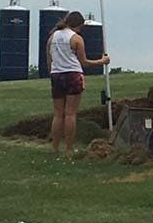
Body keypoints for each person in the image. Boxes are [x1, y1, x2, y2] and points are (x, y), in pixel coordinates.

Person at [45, 10, 110, 159]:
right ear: (79, 25)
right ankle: (68, 148)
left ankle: (54, 148)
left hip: (57, 75)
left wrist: (53, 72)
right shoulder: (77, 39)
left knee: (58, 114)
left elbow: (49, 59)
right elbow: (84, 62)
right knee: (70, 113)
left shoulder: (52, 37)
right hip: (73, 75)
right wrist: (102, 61)